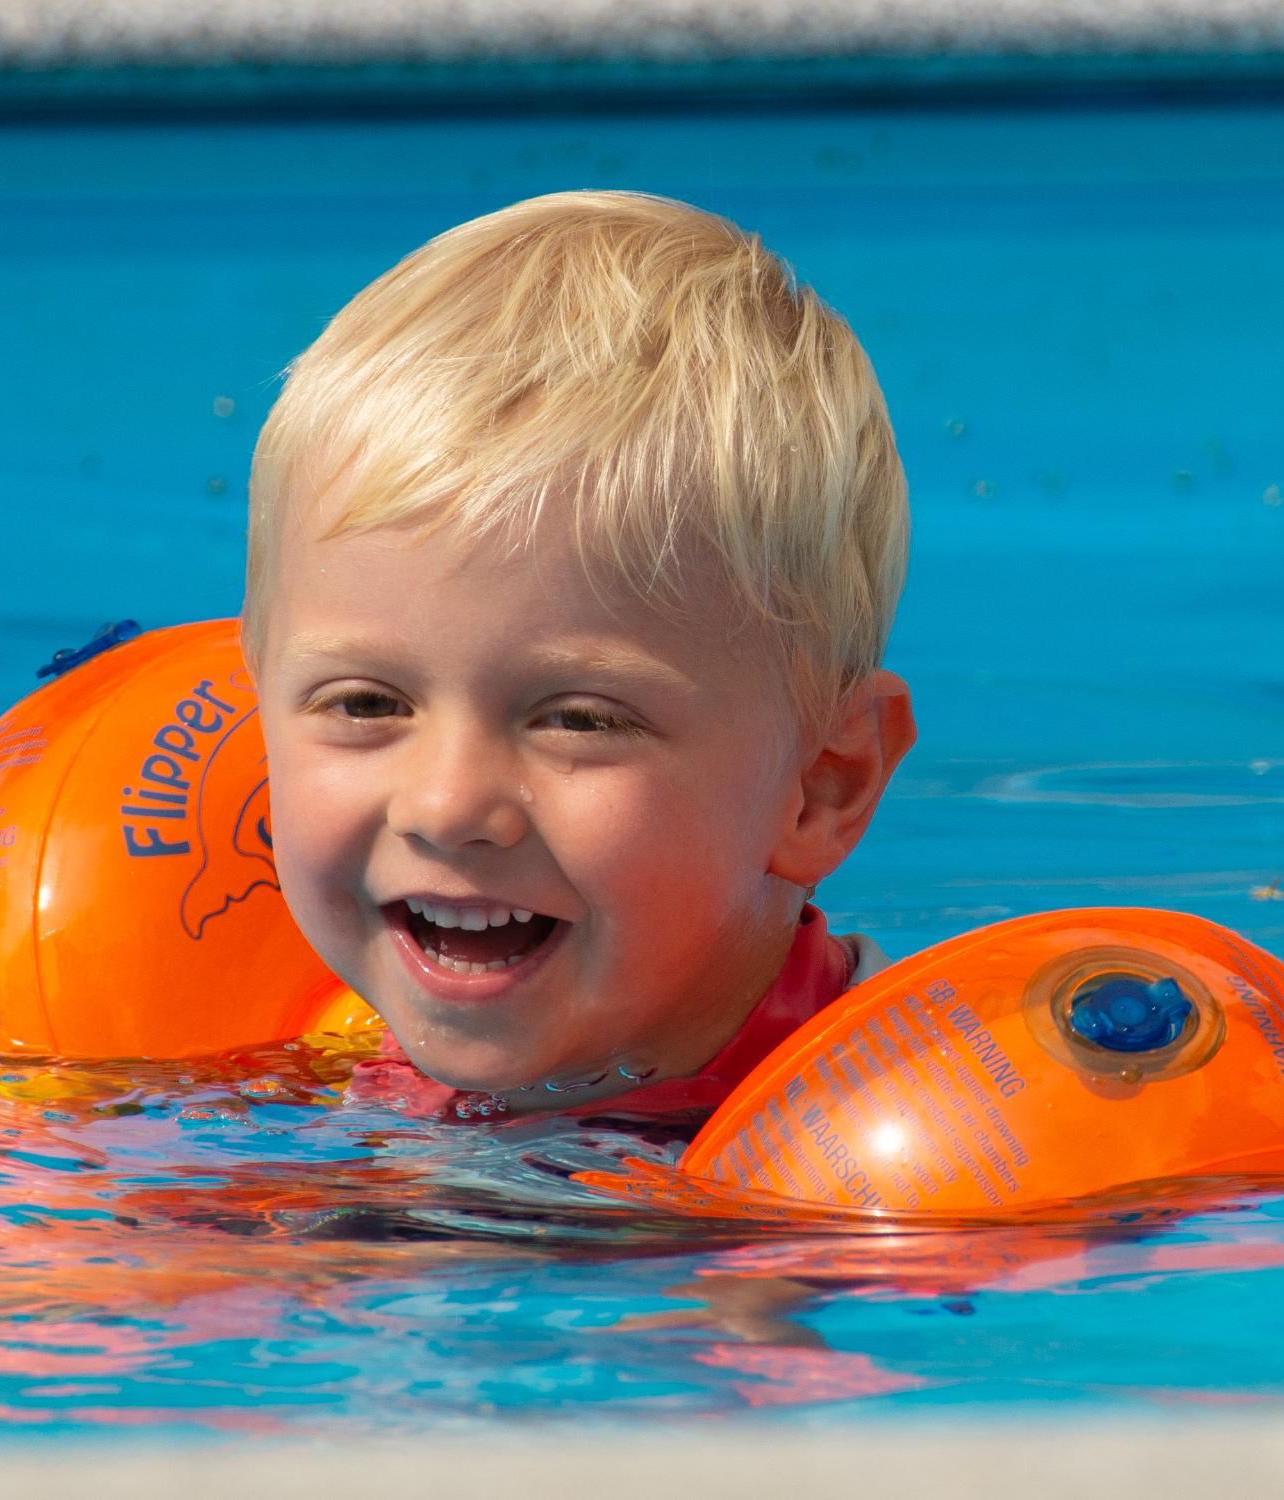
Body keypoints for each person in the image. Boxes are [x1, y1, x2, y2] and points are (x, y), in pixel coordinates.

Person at [240, 191, 914, 1119]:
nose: (446, 806)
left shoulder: (913, 1150)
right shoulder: (300, 1067)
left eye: (579, 720)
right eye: (365, 704)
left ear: (822, 786)